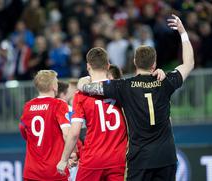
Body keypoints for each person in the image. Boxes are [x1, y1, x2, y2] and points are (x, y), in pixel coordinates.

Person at [77, 14, 194, 181]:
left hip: (140, 159)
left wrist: (84, 80)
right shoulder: (165, 81)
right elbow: (189, 63)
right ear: (154, 64)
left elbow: (86, 87)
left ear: (134, 61)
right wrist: (182, 32)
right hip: (166, 157)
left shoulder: (123, 87)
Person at [57, 47, 128, 181]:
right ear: (108, 65)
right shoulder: (122, 89)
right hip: (118, 158)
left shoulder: (81, 95)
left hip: (93, 158)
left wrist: (64, 159)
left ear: (88, 66)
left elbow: (74, 133)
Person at [19, 70, 71, 181]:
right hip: (55, 170)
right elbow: (67, 134)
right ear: (53, 86)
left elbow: (23, 130)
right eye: (56, 82)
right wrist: (72, 154)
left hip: (32, 171)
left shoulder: (28, 106)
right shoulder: (59, 104)